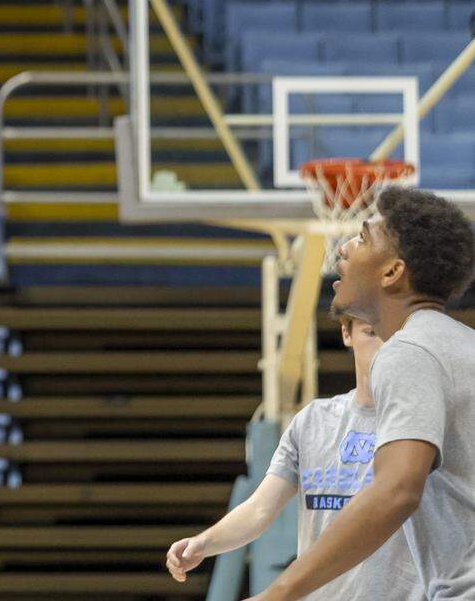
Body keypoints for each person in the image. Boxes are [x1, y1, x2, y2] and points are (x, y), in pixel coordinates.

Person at [244, 186, 475, 601]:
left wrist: (278, 593)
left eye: (365, 239)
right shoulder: (460, 344)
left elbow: (396, 491)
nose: (346, 249)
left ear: (392, 273)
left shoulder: (410, 351)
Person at [166, 318, 422, 599]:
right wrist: (204, 542)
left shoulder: (423, 424)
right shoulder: (313, 421)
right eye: (371, 333)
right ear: (347, 334)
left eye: (392, 334)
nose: (383, 346)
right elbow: (259, 509)